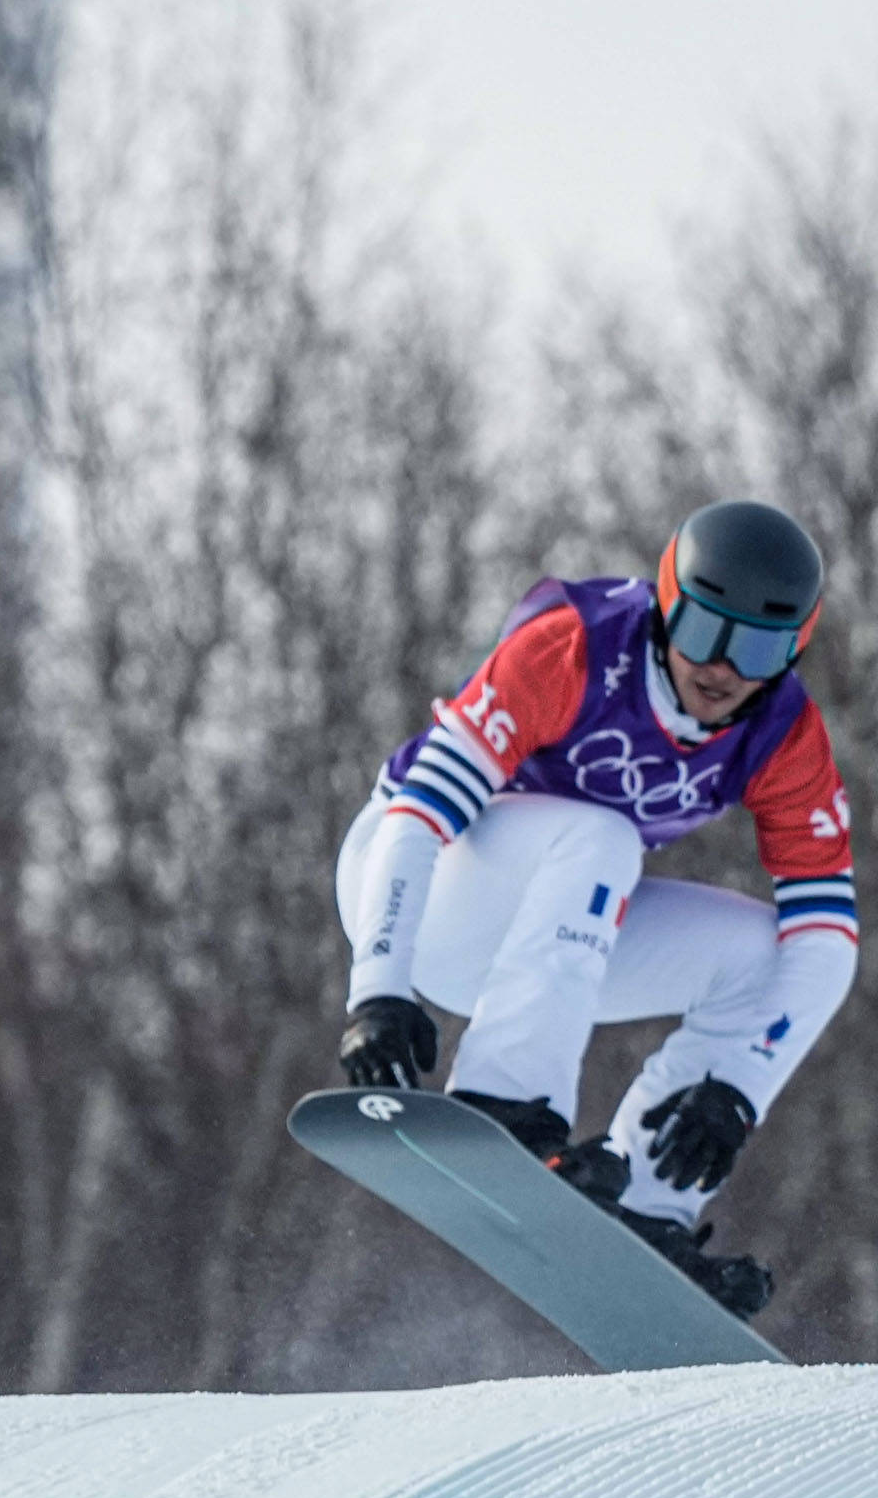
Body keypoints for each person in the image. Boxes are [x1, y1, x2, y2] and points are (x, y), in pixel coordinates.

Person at [333, 500, 858, 1316]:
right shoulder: (574, 650)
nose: (719, 668)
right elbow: (415, 818)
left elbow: (827, 937)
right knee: (604, 837)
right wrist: (379, 989)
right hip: (419, 888)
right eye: (701, 630)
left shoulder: (784, 736)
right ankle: (505, 1109)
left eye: (755, 648)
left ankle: (651, 1207)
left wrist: (739, 1089)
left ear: (795, 647)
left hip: (553, 930)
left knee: (764, 955)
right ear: (664, 601)